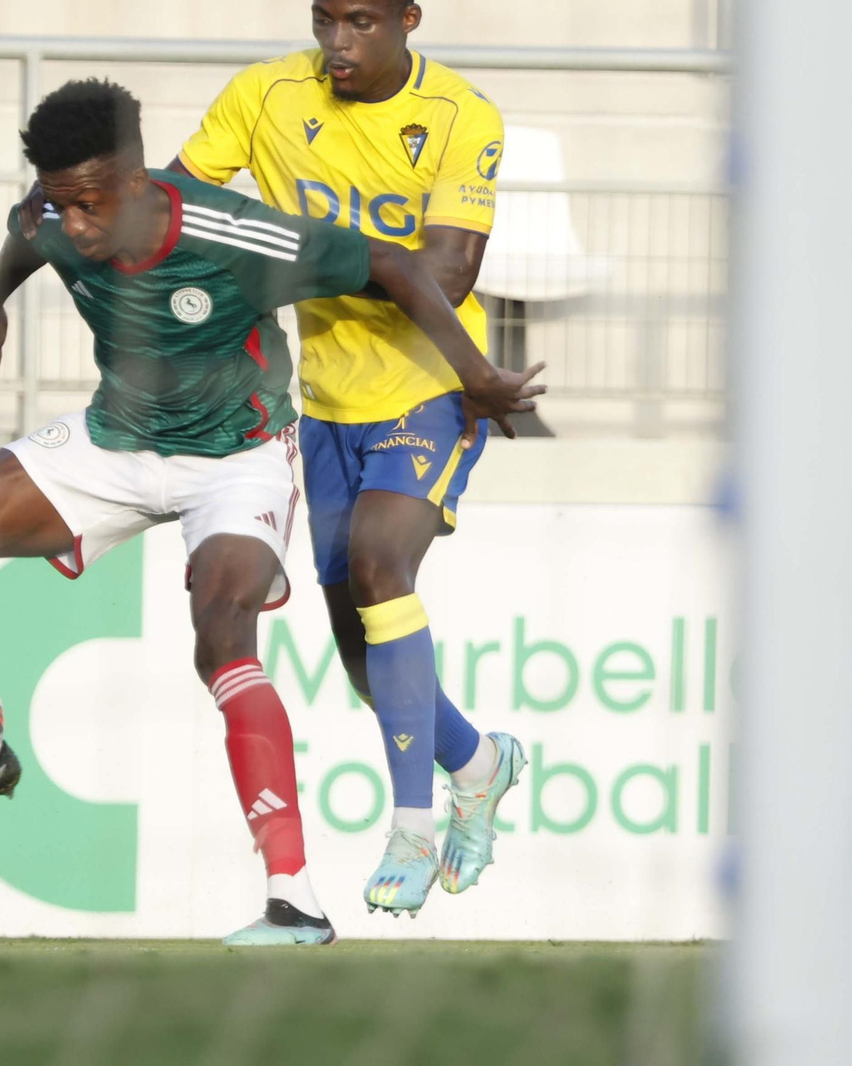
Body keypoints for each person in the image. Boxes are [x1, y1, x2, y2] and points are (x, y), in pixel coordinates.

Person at [0, 79, 540, 944]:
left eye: (91, 204)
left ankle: (294, 900)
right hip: (115, 443)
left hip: (238, 459)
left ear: (137, 180)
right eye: (63, 202)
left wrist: (478, 375)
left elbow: (397, 265)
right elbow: (27, 233)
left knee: (222, 637)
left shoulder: (236, 234)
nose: (76, 225)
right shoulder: (53, 213)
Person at [171, 0, 532, 918]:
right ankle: (479, 765)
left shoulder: (459, 116)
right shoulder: (265, 95)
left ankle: (411, 830)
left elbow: (446, 272)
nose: (338, 42)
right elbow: (173, 204)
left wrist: (277, 259)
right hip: (327, 403)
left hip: (434, 386)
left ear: (409, 19)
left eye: (362, 22)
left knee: (380, 564)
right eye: (325, 19)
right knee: (360, 658)